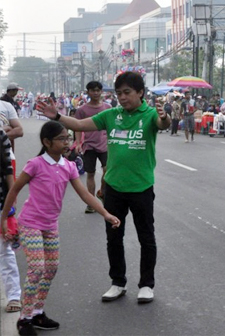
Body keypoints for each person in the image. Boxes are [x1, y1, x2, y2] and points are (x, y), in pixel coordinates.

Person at [36, 71, 171, 304]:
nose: (122, 97)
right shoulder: (111, 115)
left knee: (146, 237)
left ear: (140, 93)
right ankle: (117, 282)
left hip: (141, 188)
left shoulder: (149, 115)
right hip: (114, 188)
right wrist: (56, 115)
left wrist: (165, 117)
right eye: (118, 93)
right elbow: (79, 124)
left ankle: (146, 285)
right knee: (114, 237)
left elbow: (162, 123)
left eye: (127, 92)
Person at [0, 121, 120, 336]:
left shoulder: (69, 166)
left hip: (50, 225)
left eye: (69, 138)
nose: (67, 142)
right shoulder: (35, 164)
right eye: (62, 139)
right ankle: (24, 319)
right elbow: (14, 190)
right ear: (47, 142)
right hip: (30, 224)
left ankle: (37, 312)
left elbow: (85, 194)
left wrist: (106, 214)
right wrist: (4, 219)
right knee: (37, 268)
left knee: (51, 268)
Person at [74, 81, 111, 213]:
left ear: (101, 92)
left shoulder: (108, 107)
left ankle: (101, 192)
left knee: (107, 170)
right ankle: (91, 203)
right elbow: (77, 127)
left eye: (98, 90)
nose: (96, 93)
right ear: (88, 92)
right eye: (93, 90)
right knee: (91, 174)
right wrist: (78, 143)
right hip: (89, 145)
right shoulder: (82, 110)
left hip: (105, 144)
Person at [0, 128, 21, 313]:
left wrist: (12, 195)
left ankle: (14, 295)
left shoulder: (0, 135)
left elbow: (7, 166)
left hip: (0, 200)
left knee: (4, 251)